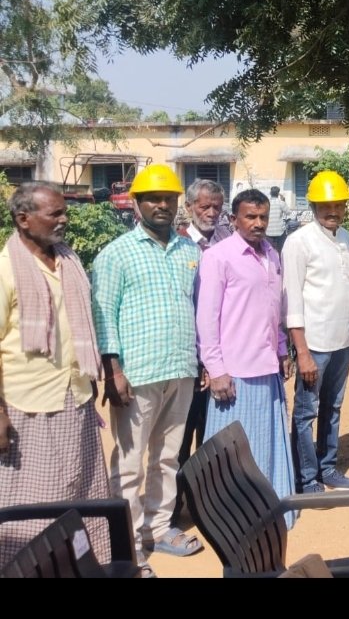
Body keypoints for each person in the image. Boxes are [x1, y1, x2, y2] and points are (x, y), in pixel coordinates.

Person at [92, 163, 203, 568]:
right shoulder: (116, 254)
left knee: (168, 456)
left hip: (180, 367)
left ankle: (158, 528)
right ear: (136, 204)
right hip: (136, 375)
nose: (162, 205)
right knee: (129, 462)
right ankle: (128, 542)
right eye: (153, 198)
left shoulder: (190, 250)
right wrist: (113, 371)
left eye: (169, 199)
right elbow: (103, 315)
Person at [0, 184, 111, 567]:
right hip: (26, 403)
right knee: (33, 497)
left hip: (74, 393)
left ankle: (81, 564)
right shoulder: (5, 269)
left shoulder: (67, 259)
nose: (65, 220)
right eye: (55, 214)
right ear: (23, 220)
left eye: (65, 212)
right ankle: (31, 568)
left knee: (83, 487)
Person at [196, 189, 296, 524]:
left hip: (266, 368)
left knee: (264, 445)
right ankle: (230, 518)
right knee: (234, 450)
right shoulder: (219, 256)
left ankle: (266, 509)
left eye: (263, 217)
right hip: (234, 373)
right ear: (233, 219)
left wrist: (282, 349)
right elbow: (206, 319)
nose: (257, 224)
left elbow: (275, 310)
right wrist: (217, 369)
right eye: (250, 217)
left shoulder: (271, 254)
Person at [283, 170, 349, 493]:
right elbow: (292, 300)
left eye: (339, 205)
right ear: (313, 206)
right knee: (306, 412)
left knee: (333, 407)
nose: (333, 211)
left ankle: (327, 467)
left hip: (342, 342)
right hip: (313, 345)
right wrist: (301, 352)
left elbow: (347, 290)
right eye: (326, 205)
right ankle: (306, 476)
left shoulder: (344, 238)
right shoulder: (298, 242)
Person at [173, 177, 226, 527]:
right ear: (190, 207)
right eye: (204, 207)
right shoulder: (177, 245)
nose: (211, 213)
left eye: (216, 208)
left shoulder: (225, 243)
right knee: (179, 438)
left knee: (211, 437)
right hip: (186, 361)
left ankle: (207, 506)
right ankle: (174, 508)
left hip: (217, 361)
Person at [266, 185, 289, 252]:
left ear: (270, 193)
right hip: (280, 231)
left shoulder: (266, 203)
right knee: (281, 250)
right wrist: (284, 201)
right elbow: (288, 212)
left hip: (268, 231)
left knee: (269, 251)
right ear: (278, 194)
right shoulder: (281, 203)